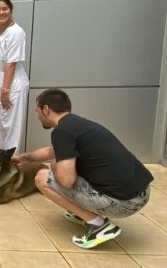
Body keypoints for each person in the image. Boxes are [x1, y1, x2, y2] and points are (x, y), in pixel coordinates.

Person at [13, 89, 153, 249]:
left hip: (125, 202)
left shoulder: (62, 132)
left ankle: (98, 225)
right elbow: (51, 150)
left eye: (37, 111)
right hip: (141, 192)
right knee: (63, 168)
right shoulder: (76, 125)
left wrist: (55, 166)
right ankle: (82, 212)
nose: (37, 116)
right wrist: (24, 157)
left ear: (46, 109)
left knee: (43, 178)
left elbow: (66, 181)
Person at [0, 0, 29, 153]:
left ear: (10, 10)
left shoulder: (16, 33)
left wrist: (5, 91)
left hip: (12, 87)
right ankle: (1, 163)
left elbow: (11, 64)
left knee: (12, 129)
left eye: (5, 9)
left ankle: (12, 164)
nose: (1, 12)